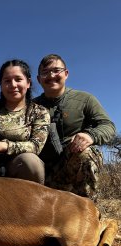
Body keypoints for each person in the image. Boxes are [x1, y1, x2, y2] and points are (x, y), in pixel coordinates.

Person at [34, 54, 116, 200]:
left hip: (71, 165)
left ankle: (87, 210)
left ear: (66, 74)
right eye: (45, 72)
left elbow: (108, 126)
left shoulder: (85, 99)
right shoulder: (30, 106)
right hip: (41, 172)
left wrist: (90, 136)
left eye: (56, 70)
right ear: (39, 79)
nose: (51, 76)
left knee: (85, 153)